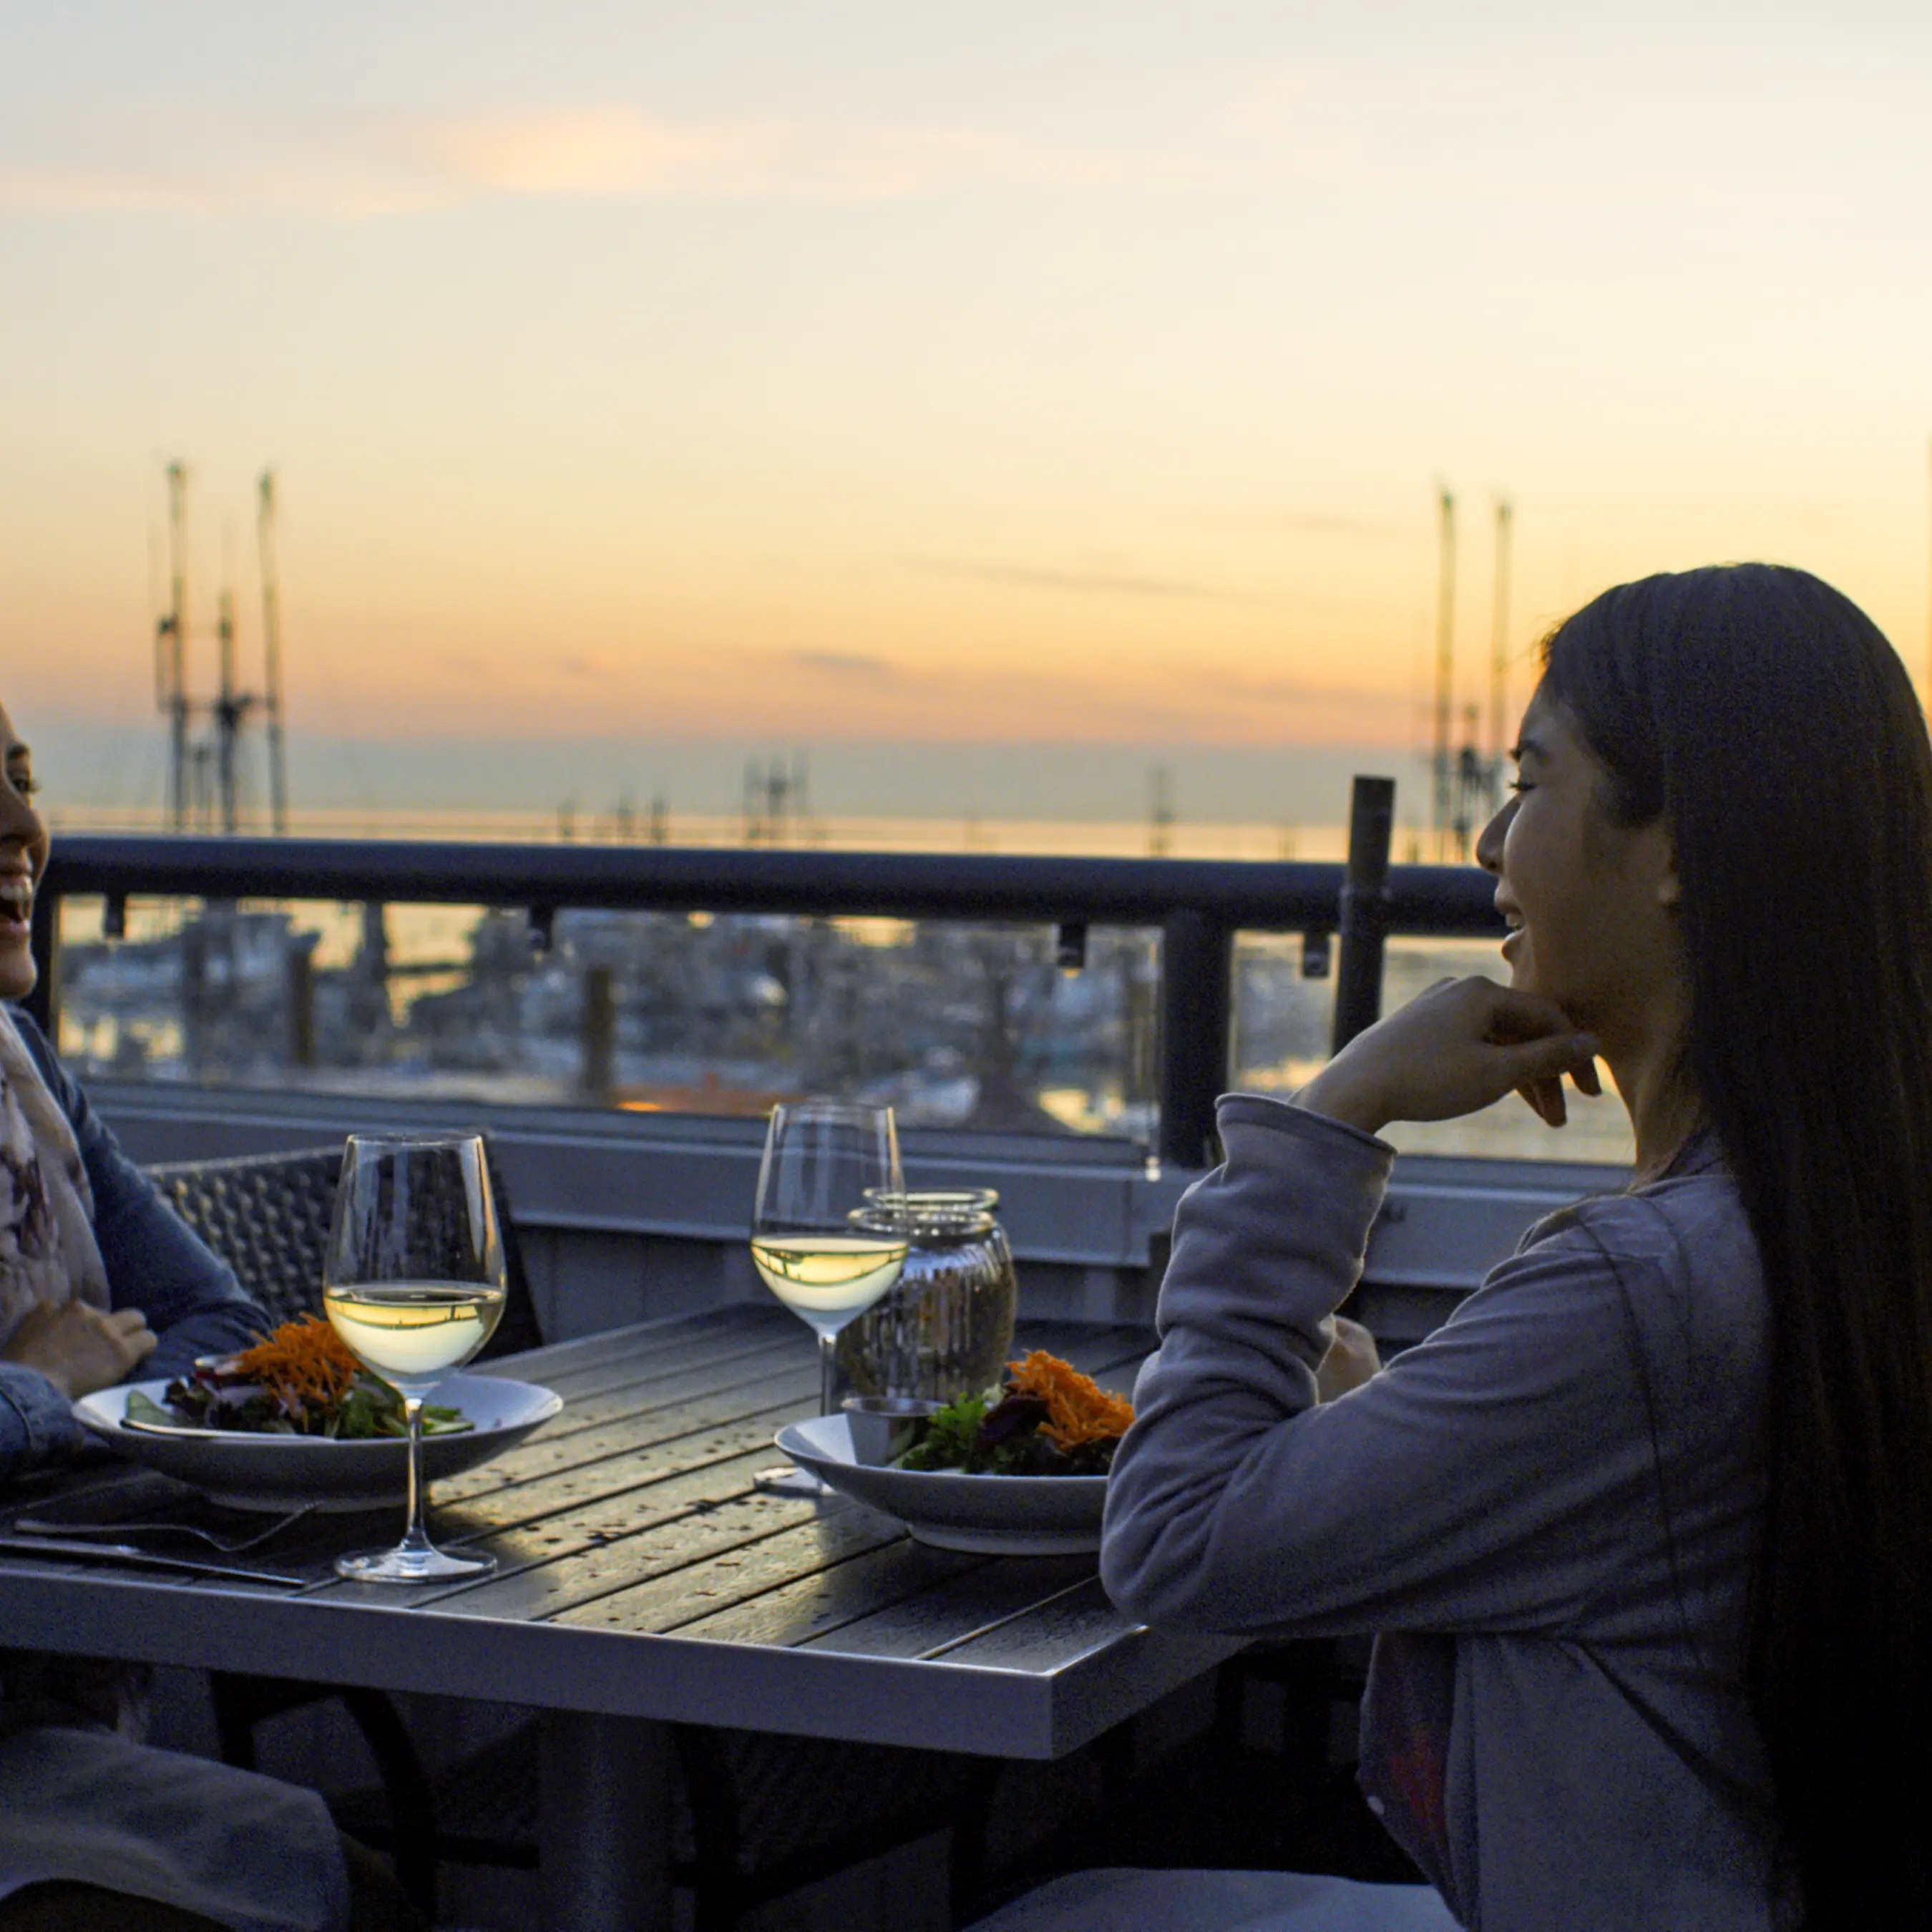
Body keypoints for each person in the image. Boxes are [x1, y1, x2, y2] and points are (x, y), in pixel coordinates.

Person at [973, 564, 1932, 1931]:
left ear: (1675, 850)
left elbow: (1176, 1543)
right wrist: (1388, 1425)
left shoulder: (1644, 1293)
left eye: (1531, 782)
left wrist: (1338, 1109)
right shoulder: (1838, 1219)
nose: (1490, 840)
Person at [0, 701, 423, 1932]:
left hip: (35, 1732)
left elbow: (212, 1320)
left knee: (369, 1890)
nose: (24, 825)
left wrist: (57, 1394)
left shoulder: (25, 1068)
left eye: (23, 780)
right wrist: (44, 1389)